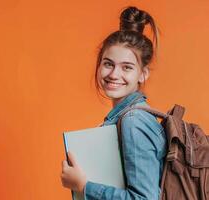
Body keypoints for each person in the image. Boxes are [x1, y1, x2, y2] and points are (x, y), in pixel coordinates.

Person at [60, 6, 167, 200]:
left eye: (127, 67)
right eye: (108, 63)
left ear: (143, 74)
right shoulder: (127, 116)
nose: (114, 74)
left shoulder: (134, 121)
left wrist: (84, 187)